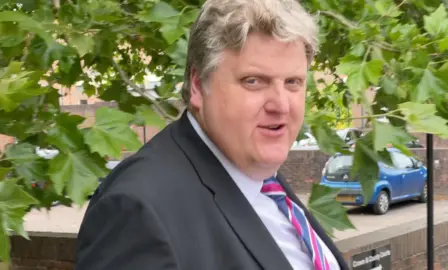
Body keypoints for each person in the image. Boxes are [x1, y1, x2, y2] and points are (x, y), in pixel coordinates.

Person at [75, 0, 349, 269]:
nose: (281, 105)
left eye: (293, 82)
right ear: (198, 84)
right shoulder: (138, 212)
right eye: (253, 81)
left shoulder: (261, 178)